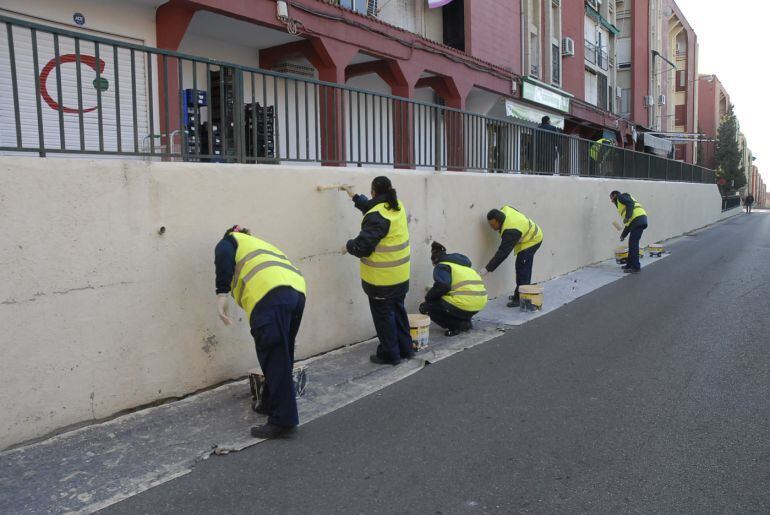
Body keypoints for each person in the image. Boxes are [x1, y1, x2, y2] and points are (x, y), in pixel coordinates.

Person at [215, 226, 306, 439]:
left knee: (274, 357)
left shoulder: (230, 240)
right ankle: (269, 401)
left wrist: (221, 294)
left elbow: (223, 254)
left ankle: (283, 421)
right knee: (282, 354)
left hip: (269, 297)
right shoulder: (262, 245)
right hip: (296, 293)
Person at [342, 176, 413, 365]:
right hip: (400, 275)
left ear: (374, 191)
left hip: (381, 280)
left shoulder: (377, 216)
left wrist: (348, 245)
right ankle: (406, 350)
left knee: (384, 318)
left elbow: (362, 247)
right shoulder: (396, 205)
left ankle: (390, 354)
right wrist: (354, 196)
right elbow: (373, 209)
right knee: (398, 312)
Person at [419, 242, 488, 337]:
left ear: (435, 260)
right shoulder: (462, 267)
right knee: (452, 301)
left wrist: (428, 296)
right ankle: (466, 322)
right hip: (480, 302)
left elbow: (443, 286)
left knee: (425, 307)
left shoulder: (441, 265)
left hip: (466, 303)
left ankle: (456, 326)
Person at [480, 206, 543, 308]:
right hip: (528, 235)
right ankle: (519, 293)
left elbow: (503, 253)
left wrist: (487, 269)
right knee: (520, 267)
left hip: (533, 240)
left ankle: (520, 299)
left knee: (523, 269)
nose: (491, 227)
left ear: (498, 221)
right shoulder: (505, 209)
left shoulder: (511, 231)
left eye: (493, 224)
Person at [610, 191, 648, 274]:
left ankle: (636, 267)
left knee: (633, 244)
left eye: (611, 198)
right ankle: (629, 265)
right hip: (636, 221)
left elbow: (630, 203)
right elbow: (628, 224)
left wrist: (627, 217)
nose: (612, 201)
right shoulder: (621, 205)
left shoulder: (621, 196)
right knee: (632, 244)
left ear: (615, 195)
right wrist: (623, 235)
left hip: (638, 220)